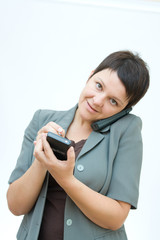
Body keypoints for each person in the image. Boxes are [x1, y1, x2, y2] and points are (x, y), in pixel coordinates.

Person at [7, 50, 150, 240]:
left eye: (113, 101)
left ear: (123, 110)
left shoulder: (126, 131)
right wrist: (41, 161)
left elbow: (116, 218)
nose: (98, 101)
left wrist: (66, 179)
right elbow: (16, 206)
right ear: (90, 75)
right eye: (99, 86)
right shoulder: (42, 120)